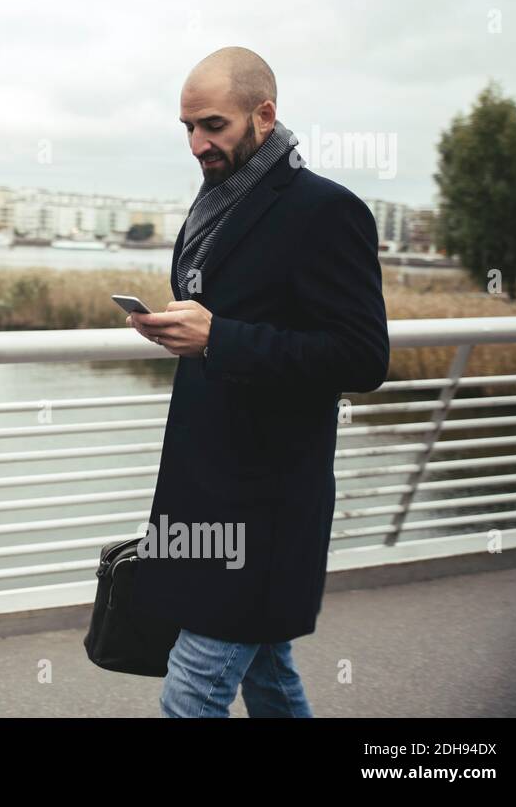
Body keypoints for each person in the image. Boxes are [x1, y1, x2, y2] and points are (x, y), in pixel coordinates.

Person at [125, 47, 390, 717]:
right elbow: (227, 316)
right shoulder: (216, 200)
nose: (197, 143)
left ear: (263, 115)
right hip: (201, 481)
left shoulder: (327, 211)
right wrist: (178, 329)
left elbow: (363, 356)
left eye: (212, 124)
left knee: (192, 690)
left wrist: (220, 336)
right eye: (186, 127)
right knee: (268, 675)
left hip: (268, 501)